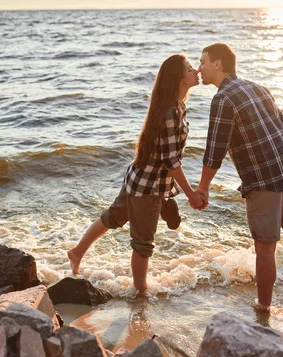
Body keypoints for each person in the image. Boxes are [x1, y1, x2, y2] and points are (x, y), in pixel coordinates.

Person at [194, 43, 283, 318]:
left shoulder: (223, 99)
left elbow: (214, 151)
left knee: (265, 250)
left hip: (264, 184)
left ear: (218, 64)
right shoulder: (258, 87)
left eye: (203, 62)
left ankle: (264, 310)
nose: (199, 68)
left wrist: (203, 187)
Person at [68, 54, 204, 293]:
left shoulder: (176, 106)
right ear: (178, 78)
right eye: (190, 68)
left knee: (114, 217)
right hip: (147, 187)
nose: (196, 71)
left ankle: (76, 252)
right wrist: (191, 194)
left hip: (139, 179)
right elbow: (171, 160)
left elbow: (167, 157)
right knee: (143, 244)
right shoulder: (171, 111)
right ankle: (140, 294)